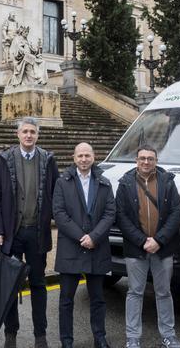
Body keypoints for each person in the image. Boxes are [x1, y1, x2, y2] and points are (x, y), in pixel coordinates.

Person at [0, 117, 60, 348]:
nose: (29, 135)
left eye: (33, 132)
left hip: (37, 234)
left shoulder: (48, 160)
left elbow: (57, 195)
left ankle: (41, 335)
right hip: (12, 235)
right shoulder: (4, 159)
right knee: (10, 285)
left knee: (38, 284)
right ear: (17, 134)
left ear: (38, 135)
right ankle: (11, 334)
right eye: (25, 131)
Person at [115, 145, 180, 348]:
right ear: (136, 160)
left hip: (162, 248)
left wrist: (158, 240)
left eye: (150, 158)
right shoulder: (125, 183)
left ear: (156, 160)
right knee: (135, 292)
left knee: (164, 292)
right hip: (136, 249)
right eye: (142, 158)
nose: (146, 162)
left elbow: (176, 211)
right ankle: (133, 338)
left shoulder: (167, 182)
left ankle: (169, 335)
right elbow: (121, 216)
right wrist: (142, 241)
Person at [52, 143, 116, 348]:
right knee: (66, 300)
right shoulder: (62, 182)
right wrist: (82, 237)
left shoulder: (105, 183)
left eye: (87, 155)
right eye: (80, 155)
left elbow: (109, 213)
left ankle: (100, 337)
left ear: (93, 157)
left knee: (98, 299)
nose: (83, 159)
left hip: (97, 248)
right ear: (74, 158)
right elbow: (59, 214)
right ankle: (67, 341)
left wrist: (94, 237)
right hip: (71, 247)